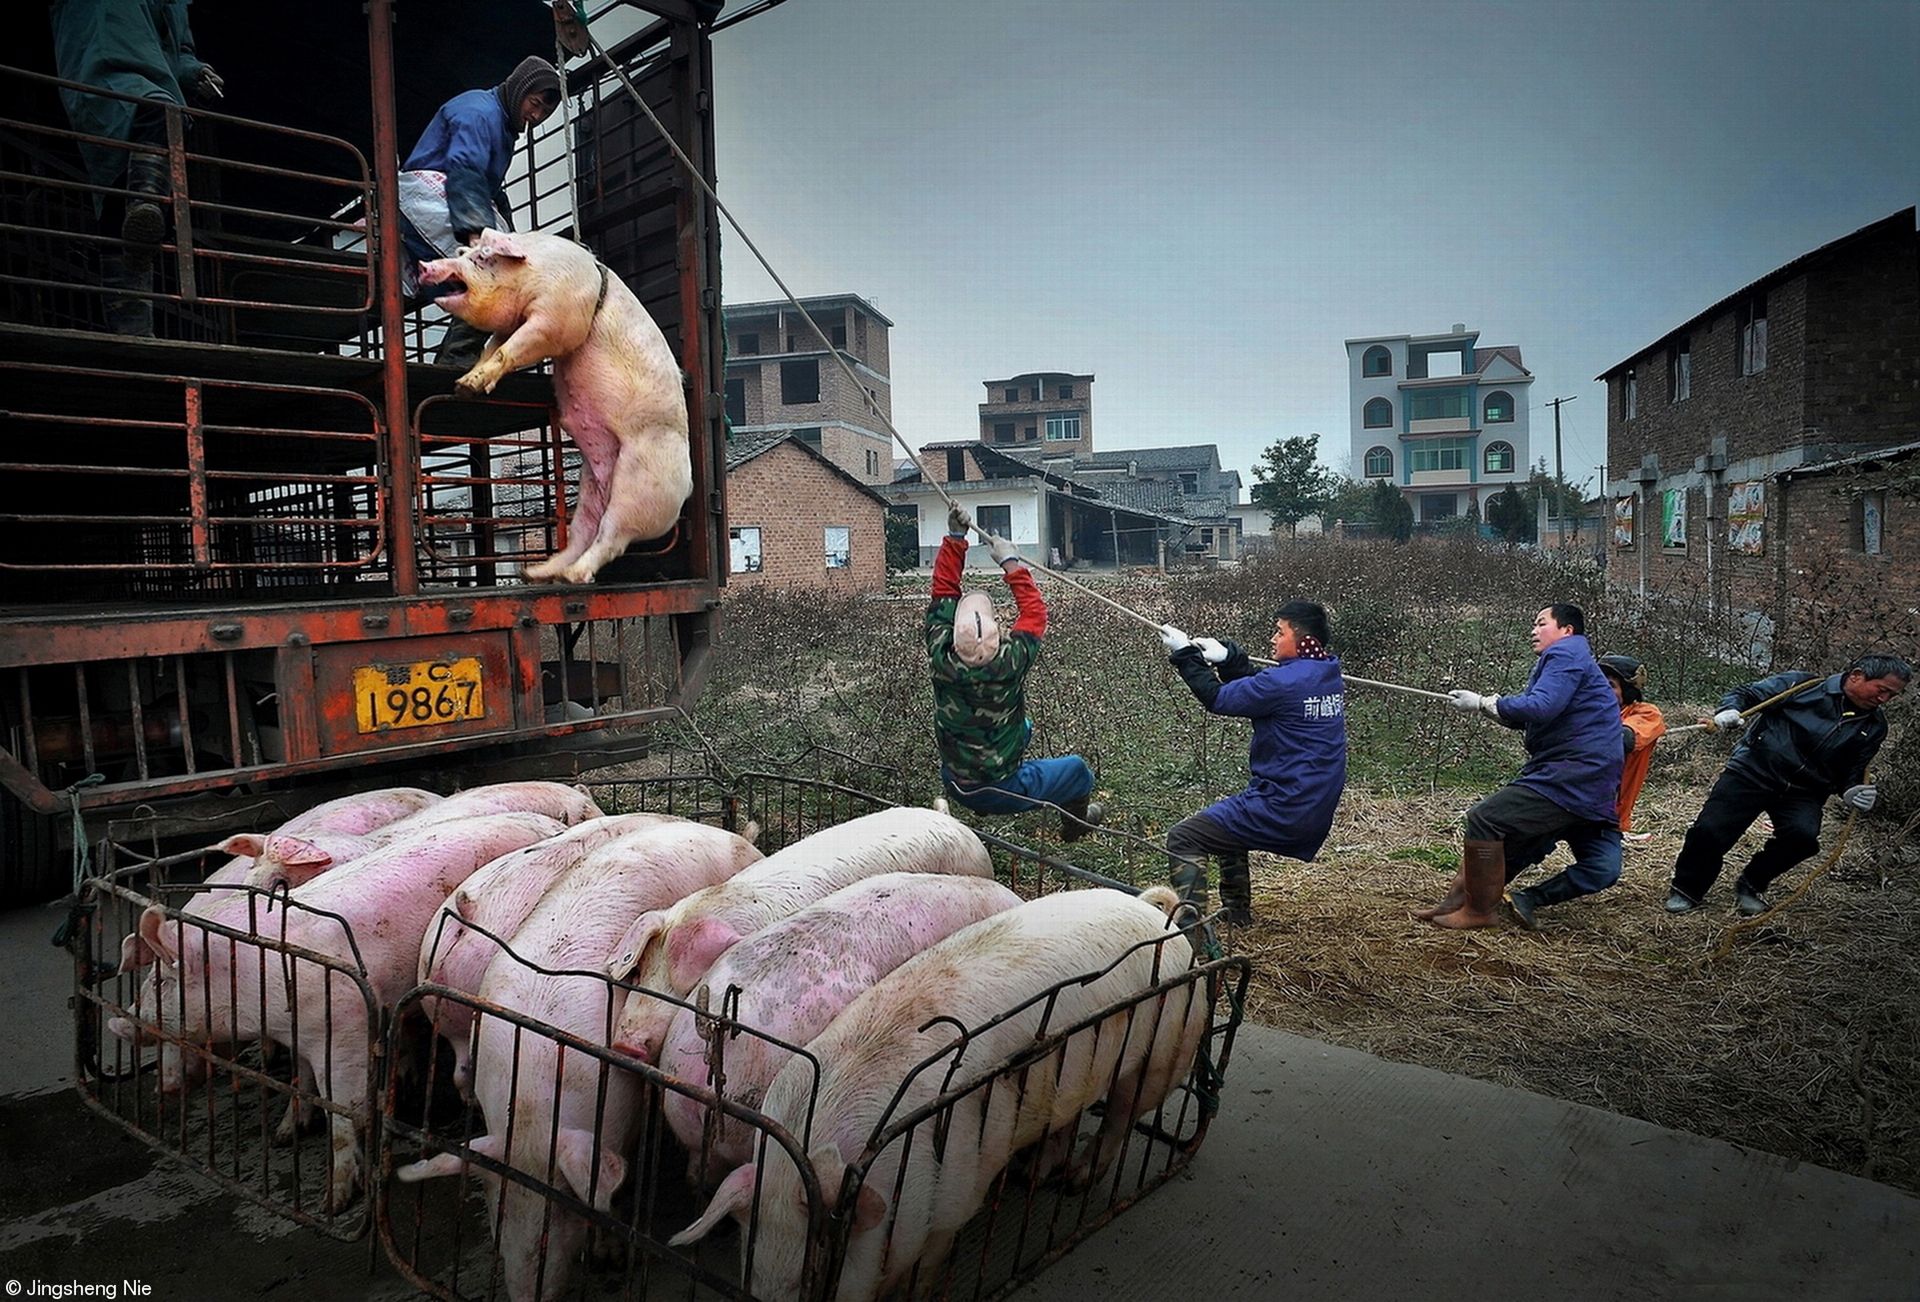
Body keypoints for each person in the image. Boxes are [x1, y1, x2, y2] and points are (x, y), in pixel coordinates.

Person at [1665, 654, 1910, 916]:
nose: (1884, 699)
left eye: (1892, 696)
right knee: (1710, 831)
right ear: (1857, 675)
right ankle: (1687, 889)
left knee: (1802, 839)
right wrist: (1728, 709)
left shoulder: (1874, 726)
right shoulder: (1802, 687)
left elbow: (1852, 770)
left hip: (1806, 791)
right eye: (1882, 690)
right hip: (1753, 772)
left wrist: (1852, 790)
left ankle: (1751, 883)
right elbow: (1747, 693)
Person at [1426, 604, 1622, 930]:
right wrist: (1488, 708)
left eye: (1541, 623)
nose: (1533, 630)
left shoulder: (1565, 655)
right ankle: (1458, 900)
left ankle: (1478, 911)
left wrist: (1485, 702)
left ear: (1566, 631)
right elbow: (1536, 715)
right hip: (1587, 779)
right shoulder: (1572, 659)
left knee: (1486, 818)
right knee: (1516, 834)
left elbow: (1542, 707)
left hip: (1574, 775)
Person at [1156, 600, 1347, 926]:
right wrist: (1230, 658)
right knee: (1226, 830)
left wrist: (1185, 655)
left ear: (1301, 640)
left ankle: (1190, 934)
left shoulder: (1284, 682)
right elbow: (1260, 690)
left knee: (1184, 837)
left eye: (1279, 631)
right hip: (1313, 801)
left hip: (1286, 805)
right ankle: (1237, 916)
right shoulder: (1326, 672)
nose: (1273, 639)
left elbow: (1218, 698)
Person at [925, 506, 1103, 839]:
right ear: (998, 633)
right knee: (1078, 770)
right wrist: (1010, 562)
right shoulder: (1009, 661)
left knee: (1025, 727)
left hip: (955, 780)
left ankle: (980, 800)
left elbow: (944, 591)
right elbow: (1035, 612)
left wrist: (955, 538)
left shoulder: (941, 656)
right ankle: (1076, 825)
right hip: (1002, 786)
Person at [49, 0, 224, 336]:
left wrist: (196, 71)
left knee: (119, 213)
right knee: (158, 111)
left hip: (151, 69)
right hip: (97, 62)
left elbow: (178, 50)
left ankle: (132, 328)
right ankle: (145, 202)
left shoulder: (175, 3)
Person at [398, 56, 562, 367]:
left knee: (506, 270)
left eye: (545, 112)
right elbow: (466, 170)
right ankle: (457, 359)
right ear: (521, 89)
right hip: (425, 196)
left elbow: (489, 186)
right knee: (493, 274)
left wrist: (513, 239)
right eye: (535, 103)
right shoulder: (479, 113)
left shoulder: (499, 122)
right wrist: (477, 234)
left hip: (451, 195)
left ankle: (456, 355)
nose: (536, 115)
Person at [1502, 653, 1666, 929]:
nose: (1601, 690)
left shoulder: (1646, 715)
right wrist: (1497, 707)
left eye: (1610, 685)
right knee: (1523, 848)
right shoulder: (1574, 709)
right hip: (1560, 800)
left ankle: (1530, 898)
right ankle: (1477, 895)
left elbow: (1623, 739)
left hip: (1602, 815)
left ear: (1627, 692)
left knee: (1603, 870)